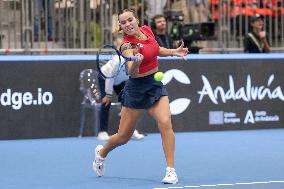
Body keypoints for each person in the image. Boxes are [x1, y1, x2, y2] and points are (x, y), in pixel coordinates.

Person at [93, 9, 188, 184]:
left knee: (165, 122)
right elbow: (131, 71)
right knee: (123, 136)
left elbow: (157, 49)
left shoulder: (147, 30)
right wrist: (136, 62)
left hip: (154, 84)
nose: (127, 24)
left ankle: (170, 171)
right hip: (136, 89)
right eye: (123, 23)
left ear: (136, 20)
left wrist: (174, 51)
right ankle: (101, 154)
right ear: (121, 27)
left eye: (130, 20)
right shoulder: (127, 46)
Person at [97, 55, 145, 141]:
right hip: (105, 77)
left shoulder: (138, 62)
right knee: (106, 102)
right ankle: (102, 133)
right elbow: (110, 77)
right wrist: (108, 94)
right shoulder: (117, 61)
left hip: (120, 81)